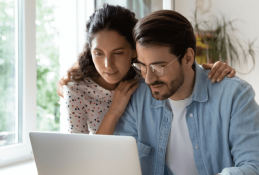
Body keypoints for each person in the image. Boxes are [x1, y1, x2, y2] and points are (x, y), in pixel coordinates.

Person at [96, 10, 259, 175]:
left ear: (187, 58)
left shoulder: (235, 96)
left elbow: (253, 166)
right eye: (143, 66)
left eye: (158, 67)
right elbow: (118, 164)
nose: (148, 79)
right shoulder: (137, 98)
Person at [58, 4, 236, 135]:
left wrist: (211, 72)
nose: (107, 65)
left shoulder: (145, 78)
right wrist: (114, 111)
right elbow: (81, 156)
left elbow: (178, 72)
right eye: (98, 53)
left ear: (135, 51)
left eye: (118, 53)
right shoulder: (76, 90)